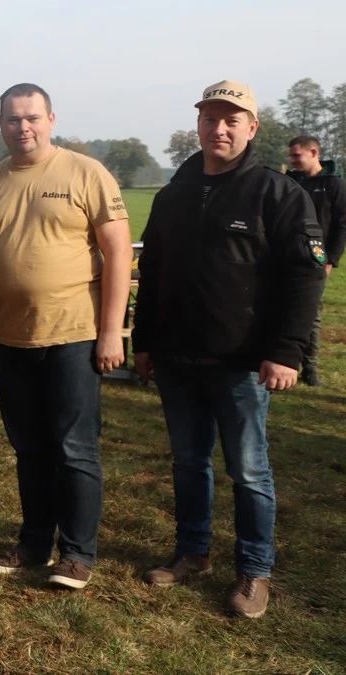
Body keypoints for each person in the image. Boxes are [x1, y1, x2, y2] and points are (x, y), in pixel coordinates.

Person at [133, 81, 324, 619]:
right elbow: (153, 275)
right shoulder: (174, 194)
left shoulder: (276, 193)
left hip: (242, 362)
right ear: (197, 125)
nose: (219, 128)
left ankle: (254, 570)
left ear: (252, 128)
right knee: (190, 462)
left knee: (249, 470)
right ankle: (192, 552)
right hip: (175, 358)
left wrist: (287, 350)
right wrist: (143, 342)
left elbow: (305, 279)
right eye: (211, 118)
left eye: (232, 120)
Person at [0, 83, 132, 591]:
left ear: (52, 119)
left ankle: (77, 554)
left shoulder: (86, 173)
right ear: (0, 125)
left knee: (75, 448)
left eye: (32, 117)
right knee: (29, 448)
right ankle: (34, 543)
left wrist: (110, 332)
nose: (23, 127)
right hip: (10, 339)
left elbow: (119, 253)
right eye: (12, 119)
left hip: (75, 335)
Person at [287, 135, 346, 386]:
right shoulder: (291, 182)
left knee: (311, 313)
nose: (292, 160)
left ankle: (309, 368)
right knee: (281, 310)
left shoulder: (334, 185)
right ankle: (285, 362)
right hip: (285, 256)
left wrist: (330, 260)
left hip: (316, 259)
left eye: (297, 155)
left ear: (314, 153)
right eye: (291, 156)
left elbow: (342, 225)